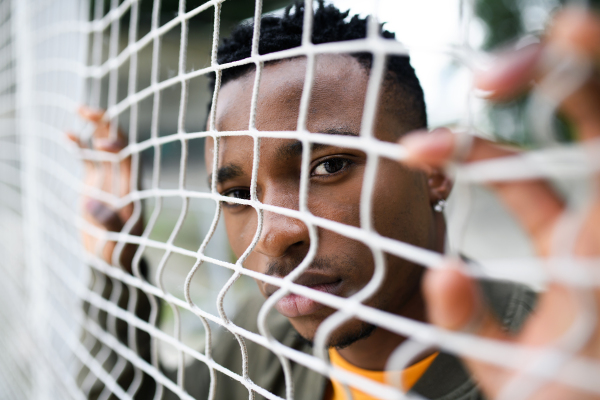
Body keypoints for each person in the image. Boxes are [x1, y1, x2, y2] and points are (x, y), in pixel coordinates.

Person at [72, 2, 600, 399]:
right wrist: (115, 269)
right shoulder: (265, 347)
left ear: (434, 170)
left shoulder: (555, 362)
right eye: (237, 194)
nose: (274, 232)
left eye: (328, 166)